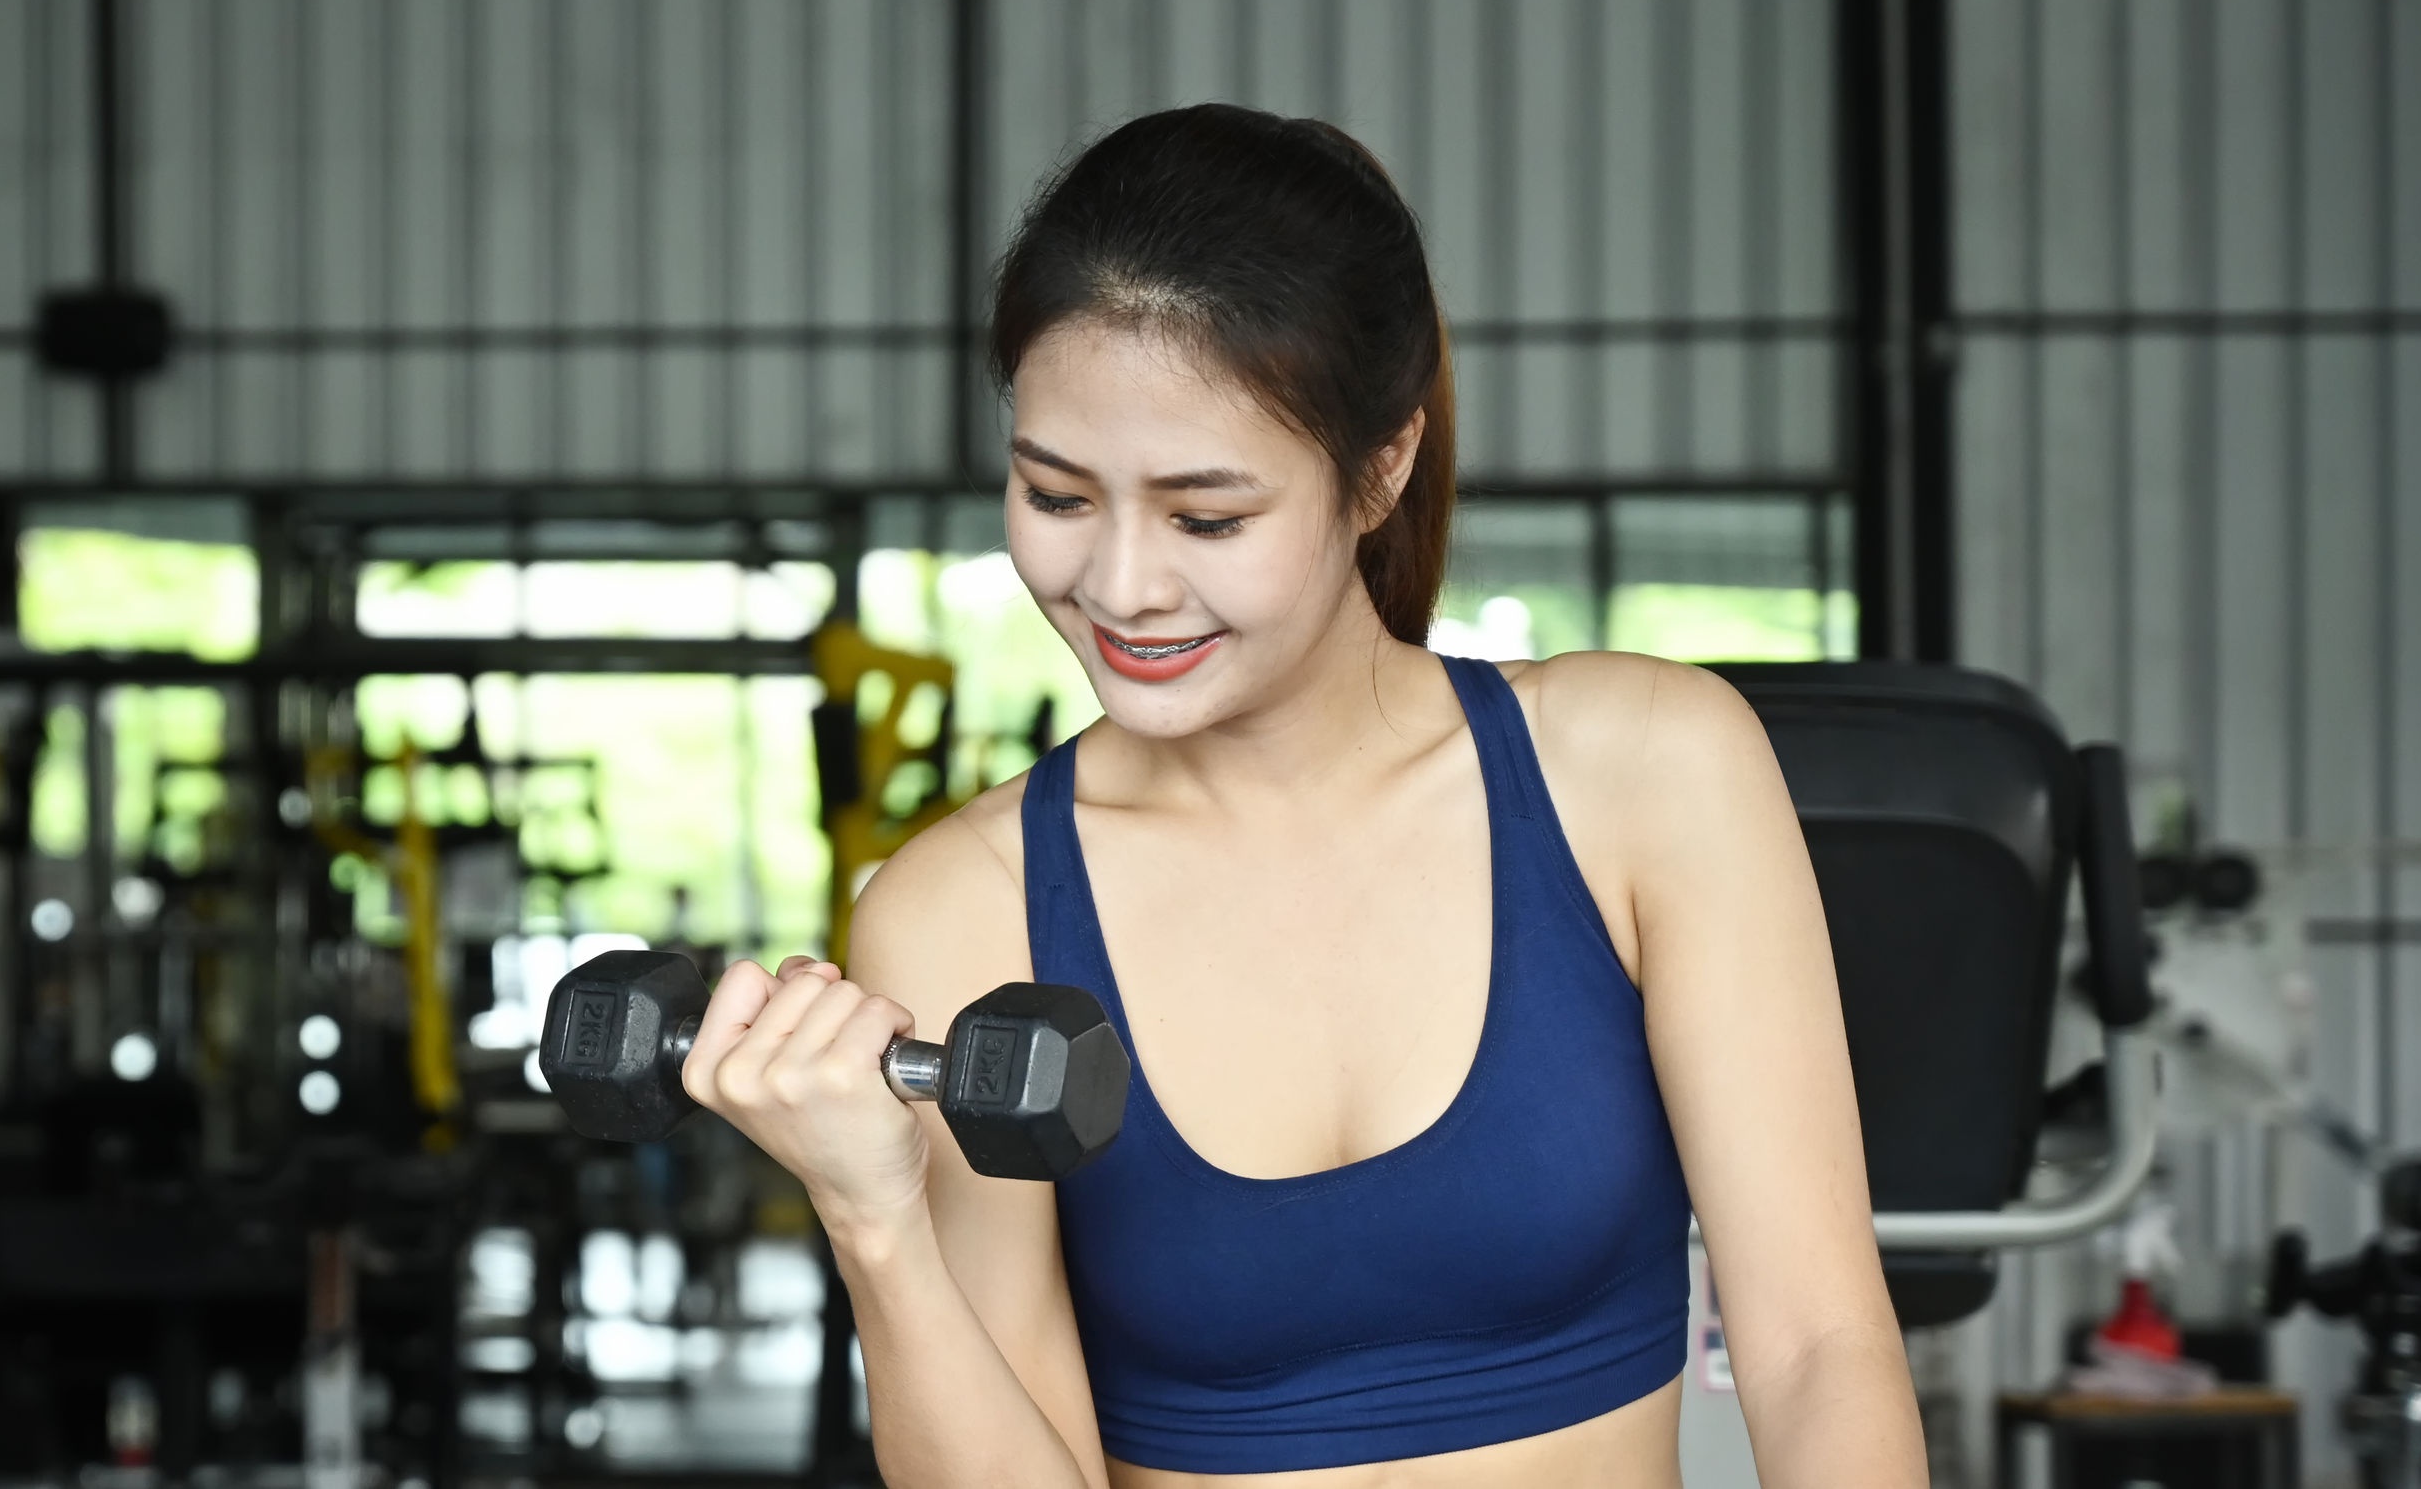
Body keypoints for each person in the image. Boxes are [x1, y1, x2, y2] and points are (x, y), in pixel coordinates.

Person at [684, 107, 1923, 1487]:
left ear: (1379, 466)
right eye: (1057, 494)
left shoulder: (1647, 768)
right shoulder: (962, 912)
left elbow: (1819, 1348)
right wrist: (874, 1222)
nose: (1125, 584)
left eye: (1208, 517)